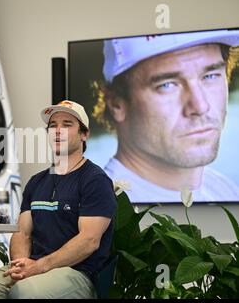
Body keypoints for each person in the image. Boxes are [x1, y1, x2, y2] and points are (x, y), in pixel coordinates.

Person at [0, 100, 117, 299]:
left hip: (76, 273)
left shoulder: (95, 180)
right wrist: (22, 265)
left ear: (84, 134)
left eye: (67, 124)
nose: (58, 130)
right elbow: (22, 233)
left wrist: (39, 267)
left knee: (25, 293)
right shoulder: (37, 182)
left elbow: (89, 241)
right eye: (53, 126)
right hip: (34, 267)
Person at [92, 30, 239, 203]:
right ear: (116, 104)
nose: (200, 106)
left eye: (210, 76)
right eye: (167, 85)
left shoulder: (222, 189)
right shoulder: (103, 209)